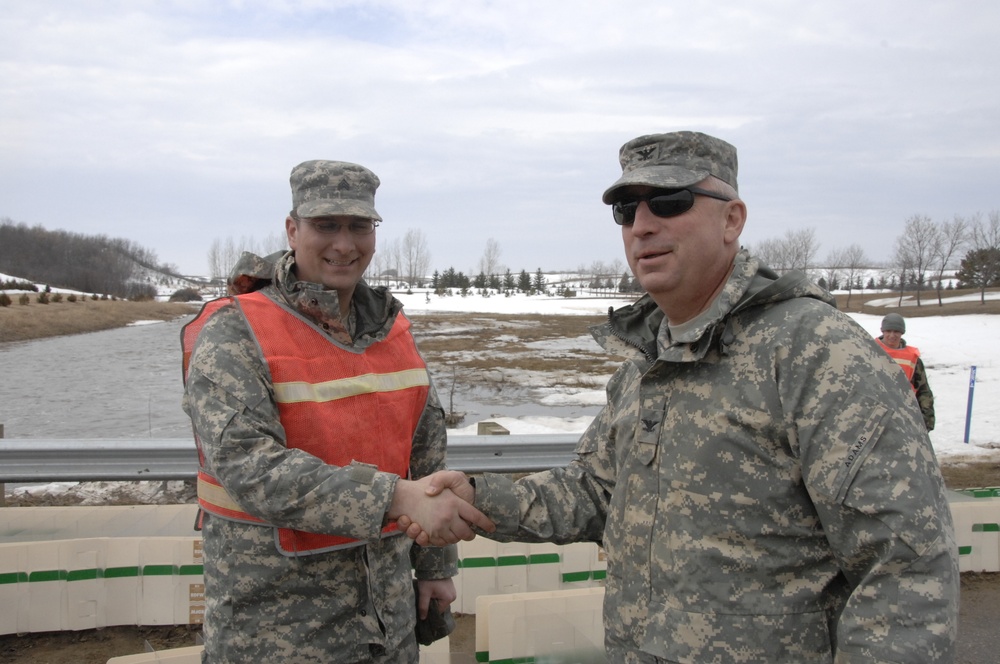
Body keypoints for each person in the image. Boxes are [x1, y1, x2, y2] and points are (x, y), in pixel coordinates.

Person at [403, 132, 959, 662]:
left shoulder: (816, 353)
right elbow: (596, 492)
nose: (642, 226)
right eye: (627, 211)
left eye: (669, 202)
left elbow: (904, 569)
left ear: (732, 219)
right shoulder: (651, 360)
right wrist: (476, 497)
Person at [182, 159, 492, 663]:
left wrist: (435, 565)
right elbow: (248, 465)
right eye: (326, 226)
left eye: (359, 227)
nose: (344, 245)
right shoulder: (236, 332)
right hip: (278, 627)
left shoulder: (391, 331)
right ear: (292, 229)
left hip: (388, 619)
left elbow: (426, 453)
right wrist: (394, 498)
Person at [876, 312, 936, 430]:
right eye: (888, 331)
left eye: (896, 331)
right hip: (876, 415)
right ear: (882, 331)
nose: (892, 335)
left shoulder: (912, 358)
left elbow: (923, 390)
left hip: (903, 415)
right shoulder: (870, 350)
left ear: (902, 333)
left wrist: (927, 420)